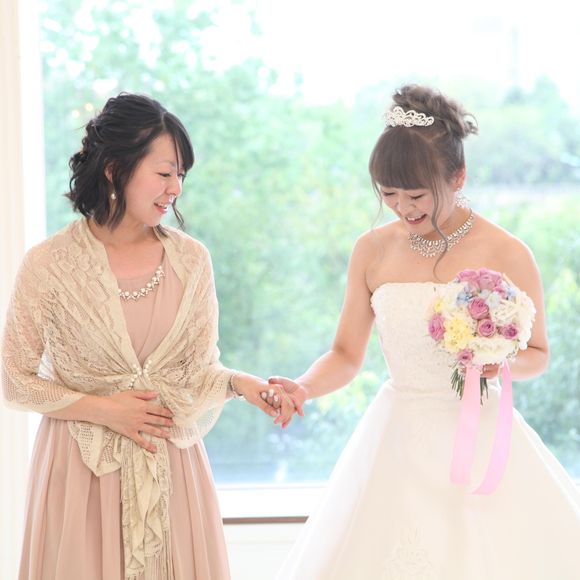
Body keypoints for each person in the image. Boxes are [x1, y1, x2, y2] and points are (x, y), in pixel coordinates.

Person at [266, 85, 580, 579]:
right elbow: (345, 354)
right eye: (388, 194)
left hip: (481, 438)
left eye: (416, 195)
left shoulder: (507, 251)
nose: (402, 208)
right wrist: (304, 386)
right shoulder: (371, 250)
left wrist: (498, 362)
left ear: (458, 177)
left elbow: (538, 353)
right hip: (399, 438)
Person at [0, 93, 293, 580]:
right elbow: (15, 379)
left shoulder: (192, 260)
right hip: (80, 478)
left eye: (181, 175)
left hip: (171, 471)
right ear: (115, 169)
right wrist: (105, 409)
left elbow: (199, 370)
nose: (175, 188)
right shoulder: (48, 264)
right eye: (164, 173)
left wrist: (243, 385)